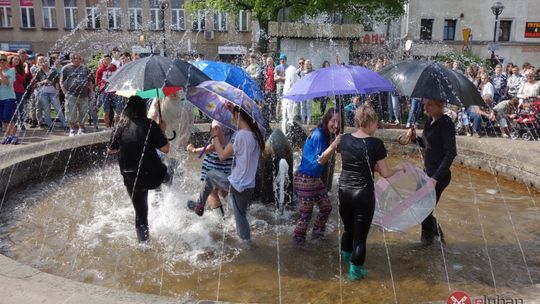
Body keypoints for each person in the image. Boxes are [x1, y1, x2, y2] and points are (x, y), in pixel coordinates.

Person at [338, 105, 403, 280]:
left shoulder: (344, 139)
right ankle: (354, 273)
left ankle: (344, 260)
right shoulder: (376, 144)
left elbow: (354, 161)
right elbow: (385, 173)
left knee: (348, 230)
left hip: (344, 191)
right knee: (360, 239)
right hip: (363, 195)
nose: (377, 126)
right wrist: (399, 168)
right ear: (371, 122)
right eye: (376, 123)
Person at [187, 104, 264, 245]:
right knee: (241, 217)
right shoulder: (256, 135)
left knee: (210, 175)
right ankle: (248, 245)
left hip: (235, 184)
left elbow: (222, 155)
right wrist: (232, 110)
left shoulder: (239, 136)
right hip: (249, 185)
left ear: (237, 116)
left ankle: (199, 205)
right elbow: (241, 124)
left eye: (233, 114)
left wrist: (215, 137)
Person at [107, 95, 170, 242]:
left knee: (141, 215)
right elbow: (165, 149)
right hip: (154, 176)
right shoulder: (150, 125)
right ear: (143, 109)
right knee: (167, 173)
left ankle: (144, 246)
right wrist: (163, 131)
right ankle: (171, 190)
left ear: (127, 109)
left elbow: (110, 150)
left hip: (132, 178)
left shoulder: (120, 127)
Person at [407, 98, 457, 244]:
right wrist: (415, 138)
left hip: (439, 176)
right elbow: (427, 145)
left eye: (429, 104)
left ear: (440, 105)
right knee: (419, 207)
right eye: (424, 104)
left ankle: (429, 241)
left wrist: (435, 179)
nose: (425, 107)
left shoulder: (446, 123)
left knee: (424, 210)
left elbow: (451, 153)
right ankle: (434, 235)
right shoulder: (429, 122)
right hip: (427, 172)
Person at [293, 108, 341, 246]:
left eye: (339, 122)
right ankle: (298, 243)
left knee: (326, 207)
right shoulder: (320, 135)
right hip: (305, 178)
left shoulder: (325, 134)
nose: (336, 125)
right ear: (327, 120)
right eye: (333, 121)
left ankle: (317, 236)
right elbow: (321, 160)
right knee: (305, 214)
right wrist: (334, 144)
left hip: (314, 179)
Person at [186, 120, 234, 216]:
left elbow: (214, 147)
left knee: (212, 191)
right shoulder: (233, 121)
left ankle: (221, 221)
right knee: (223, 190)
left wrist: (194, 150)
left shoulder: (217, 123)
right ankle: (239, 213)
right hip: (229, 159)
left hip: (217, 161)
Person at [60, 53, 93, 136]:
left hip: (84, 94)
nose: (78, 60)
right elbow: (61, 81)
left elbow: (89, 81)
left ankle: (82, 128)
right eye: (76, 58)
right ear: (71, 59)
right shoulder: (66, 68)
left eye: (79, 58)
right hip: (71, 94)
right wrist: (65, 92)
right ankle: (72, 130)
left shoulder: (85, 68)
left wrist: (91, 91)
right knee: (71, 112)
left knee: (83, 112)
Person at [33, 55, 67, 131]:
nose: (43, 63)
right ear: (38, 63)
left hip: (53, 92)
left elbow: (57, 81)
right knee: (46, 109)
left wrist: (57, 90)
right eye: (41, 62)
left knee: (58, 108)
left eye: (44, 61)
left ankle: (64, 124)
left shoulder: (53, 70)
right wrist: (43, 82)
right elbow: (35, 83)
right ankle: (50, 125)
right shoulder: (38, 72)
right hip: (43, 93)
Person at [95, 54, 117, 128]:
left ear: (111, 60)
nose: (106, 61)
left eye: (108, 59)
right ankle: (107, 127)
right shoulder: (100, 69)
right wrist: (103, 84)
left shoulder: (114, 68)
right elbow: (97, 81)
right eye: (105, 59)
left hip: (114, 92)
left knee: (117, 111)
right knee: (106, 110)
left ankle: (116, 126)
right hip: (105, 92)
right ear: (103, 60)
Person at [0, 53, 18, 144]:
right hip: (0, 98)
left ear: (7, 61)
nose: (2, 61)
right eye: (0, 60)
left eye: (4, 60)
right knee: (3, 119)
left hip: (9, 97)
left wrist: (1, 74)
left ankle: (14, 136)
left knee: (9, 118)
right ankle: (8, 136)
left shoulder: (11, 70)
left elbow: (7, 83)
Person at [299, 59, 313, 125]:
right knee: (302, 106)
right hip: (303, 91)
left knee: (309, 106)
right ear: (304, 65)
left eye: (309, 64)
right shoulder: (302, 72)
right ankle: (303, 120)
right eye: (306, 64)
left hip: (310, 91)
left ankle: (309, 120)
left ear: (311, 65)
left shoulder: (313, 72)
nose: (307, 65)